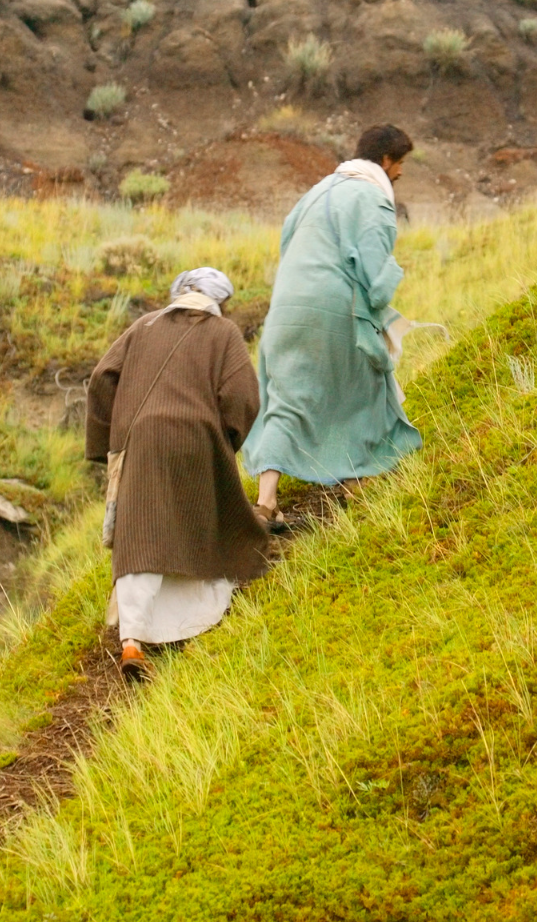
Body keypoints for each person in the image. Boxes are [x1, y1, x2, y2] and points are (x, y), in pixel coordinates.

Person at [87, 267, 271, 680]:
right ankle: (193, 622)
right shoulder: (223, 333)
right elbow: (243, 393)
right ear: (220, 301)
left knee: (138, 538)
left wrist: (109, 441)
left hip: (142, 441)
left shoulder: (142, 325)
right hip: (195, 437)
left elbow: (101, 378)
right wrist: (227, 438)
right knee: (198, 524)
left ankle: (133, 642)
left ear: (179, 293)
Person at [242, 124, 423, 526]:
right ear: (387, 160)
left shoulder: (315, 193)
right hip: (333, 309)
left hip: (283, 312)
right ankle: (357, 476)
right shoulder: (374, 198)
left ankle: (266, 503)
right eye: (401, 163)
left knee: (288, 400)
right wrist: (390, 284)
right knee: (366, 382)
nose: (401, 173)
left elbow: (287, 246)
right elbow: (376, 280)